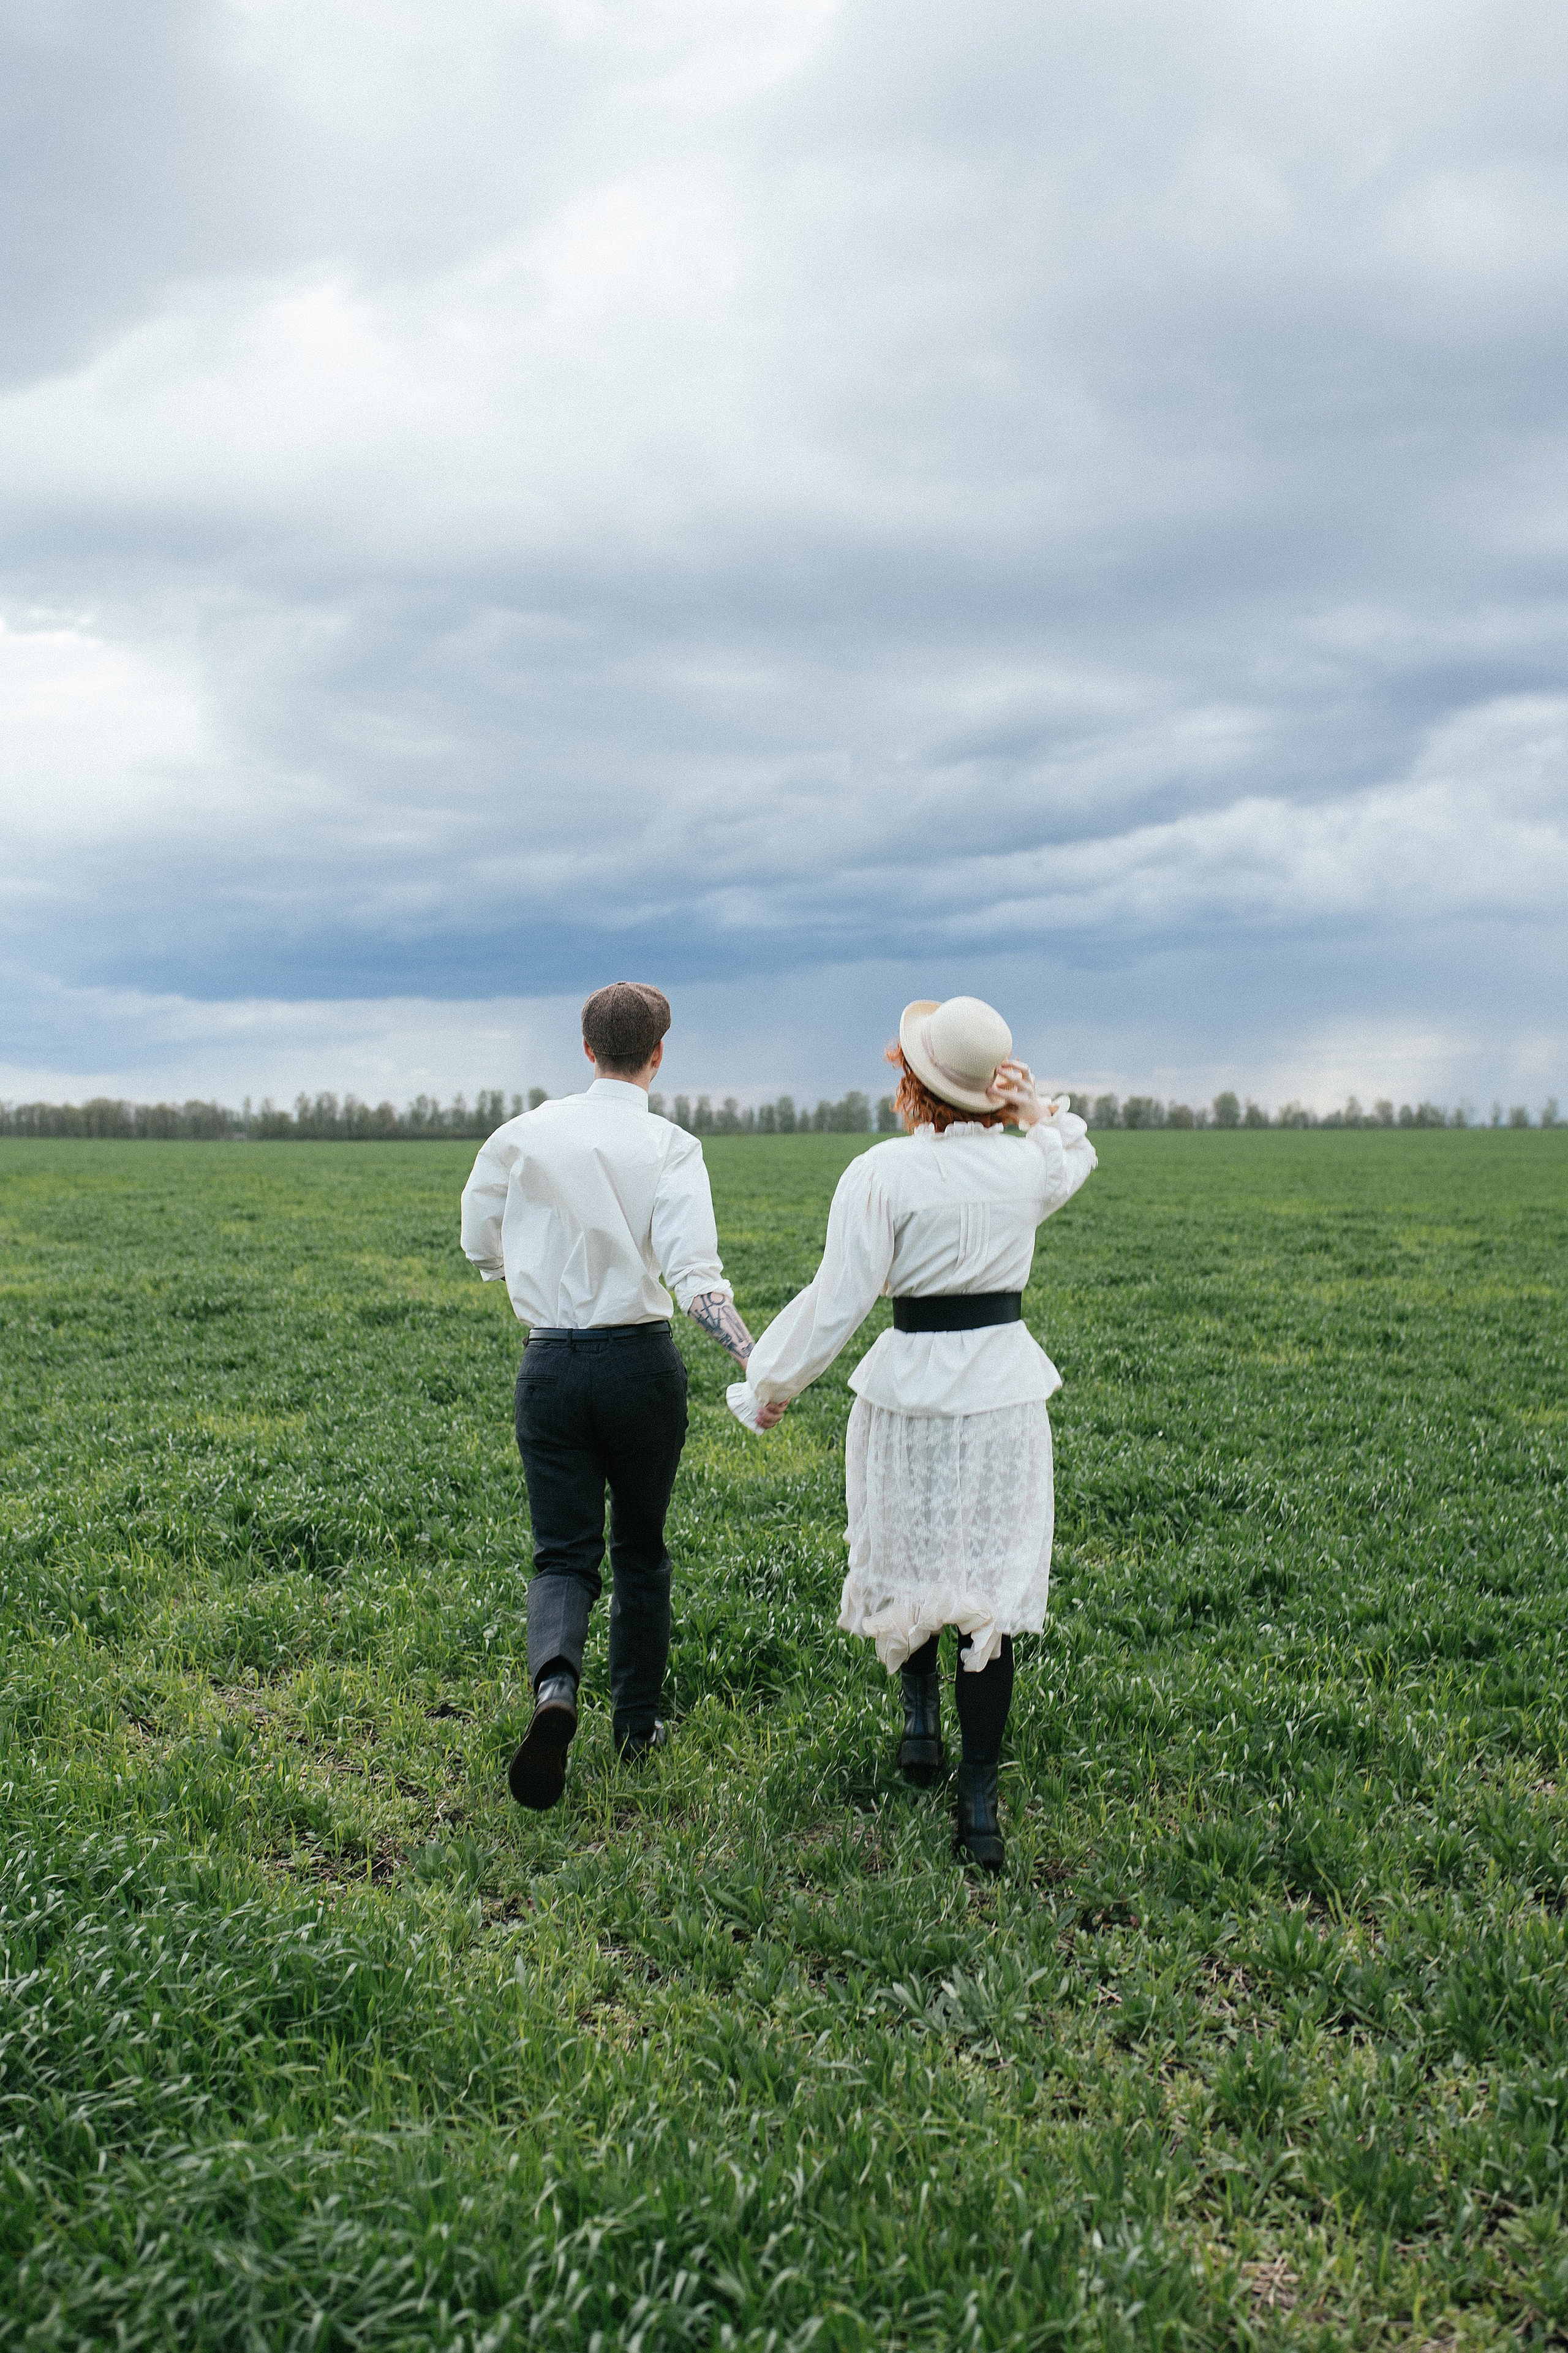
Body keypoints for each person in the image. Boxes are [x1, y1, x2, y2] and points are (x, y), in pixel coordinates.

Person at [729, 994, 1096, 1871]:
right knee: (986, 1590)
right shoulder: (1023, 1168)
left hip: (909, 1391)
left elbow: (838, 1299)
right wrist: (1028, 1106)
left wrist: (770, 1383)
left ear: (911, 1079)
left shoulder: (882, 1172)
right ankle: (978, 1805)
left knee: (911, 1556)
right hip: (1003, 1397)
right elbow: (1065, 1149)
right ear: (989, 1093)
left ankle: (920, 1726)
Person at [460, 981, 783, 1813]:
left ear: (585, 1046)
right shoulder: (671, 1145)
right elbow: (697, 1281)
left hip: (552, 1364)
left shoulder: (521, 1134)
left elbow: (476, 1235)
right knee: (642, 1547)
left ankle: (556, 1686)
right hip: (641, 1363)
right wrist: (758, 1363)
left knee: (563, 1551)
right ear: (659, 1053)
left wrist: (515, 1266)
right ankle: (636, 1727)